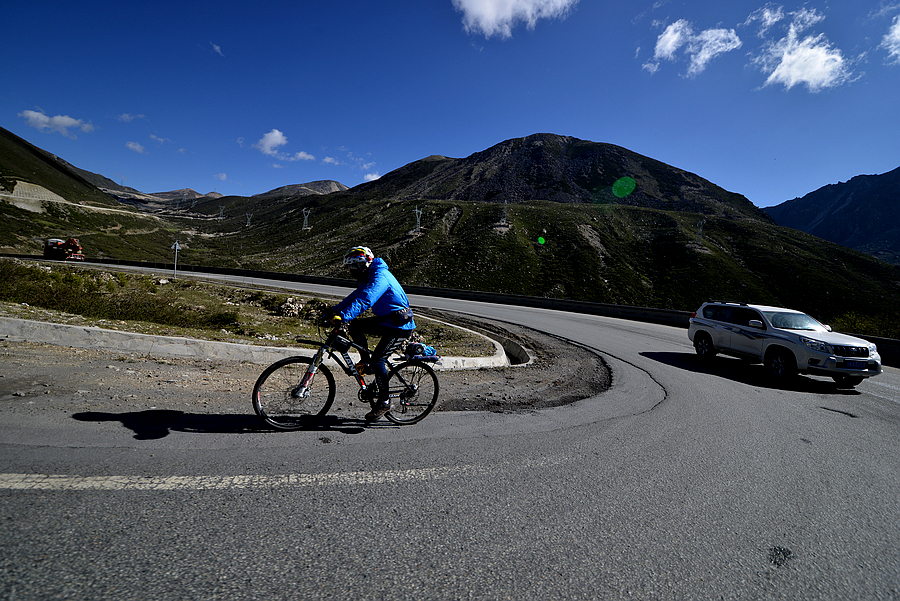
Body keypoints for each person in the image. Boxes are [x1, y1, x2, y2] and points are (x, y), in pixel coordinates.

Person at [326, 246, 415, 421]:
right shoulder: (369, 276)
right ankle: (366, 362)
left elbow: (366, 299)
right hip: (386, 321)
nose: (351, 272)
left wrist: (343, 316)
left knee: (379, 360)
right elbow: (354, 297)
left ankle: (385, 401)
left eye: (353, 268)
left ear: (364, 265)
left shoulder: (380, 276)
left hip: (399, 326)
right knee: (355, 327)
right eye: (349, 268)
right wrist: (333, 311)